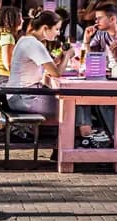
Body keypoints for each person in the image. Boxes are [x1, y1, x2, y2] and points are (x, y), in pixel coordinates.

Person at [7, 11, 102, 147]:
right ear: (45, 28)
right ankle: (83, 140)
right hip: (24, 98)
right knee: (77, 104)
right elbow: (56, 73)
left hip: (21, 95)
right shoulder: (33, 44)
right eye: (56, 29)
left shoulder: (27, 40)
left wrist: (62, 56)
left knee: (77, 102)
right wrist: (67, 56)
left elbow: (49, 66)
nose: (58, 33)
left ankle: (71, 143)